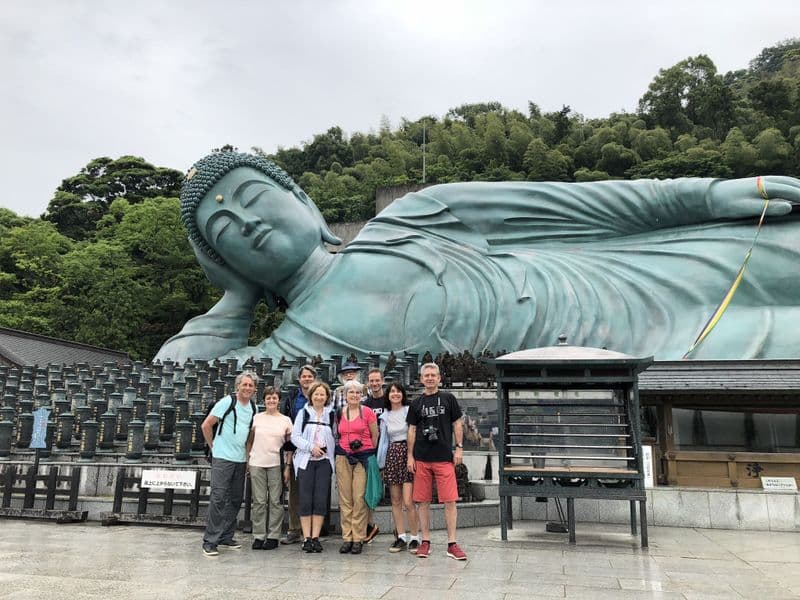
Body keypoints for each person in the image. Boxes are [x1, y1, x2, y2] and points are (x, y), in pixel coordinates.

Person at [155, 152, 800, 364]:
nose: (247, 223)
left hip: (642, 270)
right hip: (639, 355)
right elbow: (175, 375)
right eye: (224, 230)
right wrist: (236, 295)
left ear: (300, 197)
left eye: (251, 197)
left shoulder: (414, 217)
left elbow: (585, 207)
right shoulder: (292, 350)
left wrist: (712, 196)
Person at [407, 362, 466, 560]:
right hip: (422, 458)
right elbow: (412, 430)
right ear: (421, 379)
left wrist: (459, 447)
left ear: (439, 378)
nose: (430, 378)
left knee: (450, 500)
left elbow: (457, 423)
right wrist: (410, 455)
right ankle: (425, 541)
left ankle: (452, 543)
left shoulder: (448, 399)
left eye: (434, 375)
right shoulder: (416, 403)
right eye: (427, 375)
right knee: (422, 501)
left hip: (443, 457)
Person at [200, 370, 259, 557]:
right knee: (218, 498)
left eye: (251, 385)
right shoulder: (227, 402)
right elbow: (206, 425)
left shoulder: (254, 408)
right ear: (238, 386)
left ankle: (226, 535)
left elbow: (250, 436)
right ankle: (210, 541)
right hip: (223, 457)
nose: (247, 388)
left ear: (255, 389)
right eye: (245, 384)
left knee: (234, 498)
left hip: (240, 459)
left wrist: (248, 457)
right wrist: (214, 447)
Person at [290, 381, 336, 553]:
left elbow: (335, 436)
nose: (319, 397)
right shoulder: (304, 414)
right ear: (311, 396)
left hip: (324, 462)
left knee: (320, 500)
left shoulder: (331, 415)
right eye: (316, 394)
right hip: (306, 462)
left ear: (326, 397)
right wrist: (311, 447)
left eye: (322, 394)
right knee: (305, 499)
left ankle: (316, 537)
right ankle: (306, 538)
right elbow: (295, 437)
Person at [246, 386, 293, 550]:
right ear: (264, 400)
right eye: (268, 398)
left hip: (276, 464)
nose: (271, 401)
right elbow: (250, 441)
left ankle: (273, 536)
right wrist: (248, 459)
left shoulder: (285, 420)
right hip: (257, 462)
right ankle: (258, 535)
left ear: (278, 400)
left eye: (274, 398)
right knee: (259, 501)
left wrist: (287, 467)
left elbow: (289, 447)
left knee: (275, 501)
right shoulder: (257, 418)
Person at [335, 379, 378, 555]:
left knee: (359, 497)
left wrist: (367, 451)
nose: (354, 395)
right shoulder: (339, 412)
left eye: (357, 392)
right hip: (343, 456)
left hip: (363, 458)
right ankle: (347, 537)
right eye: (350, 392)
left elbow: (375, 435)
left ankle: (358, 537)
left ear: (362, 395)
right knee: (345, 499)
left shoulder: (367, 412)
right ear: (345, 395)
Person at [376, 382, 420, 553]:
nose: (395, 394)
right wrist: (382, 464)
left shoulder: (409, 411)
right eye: (392, 391)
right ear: (388, 395)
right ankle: (400, 536)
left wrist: (413, 456)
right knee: (395, 500)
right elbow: (383, 441)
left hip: (408, 453)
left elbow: (413, 433)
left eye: (398, 391)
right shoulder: (384, 416)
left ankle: (415, 537)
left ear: (403, 394)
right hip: (392, 454)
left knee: (408, 501)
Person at [279, 364, 316, 544]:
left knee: (313, 490)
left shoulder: (321, 396)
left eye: (310, 376)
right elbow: (287, 426)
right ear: (299, 379)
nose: (307, 379)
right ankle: (294, 528)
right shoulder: (293, 398)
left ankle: (313, 530)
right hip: (296, 450)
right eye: (304, 376)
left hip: (317, 451)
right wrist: (287, 459)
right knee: (295, 491)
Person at [361, 367, 387, 543]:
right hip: (370, 453)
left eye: (377, 380)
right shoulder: (366, 404)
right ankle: (369, 526)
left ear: (382, 381)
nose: (375, 383)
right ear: (368, 383)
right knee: (369, 490)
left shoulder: (390, 400)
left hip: (389, 451)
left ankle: (398, 534)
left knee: (394, 494)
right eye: (372, 380)